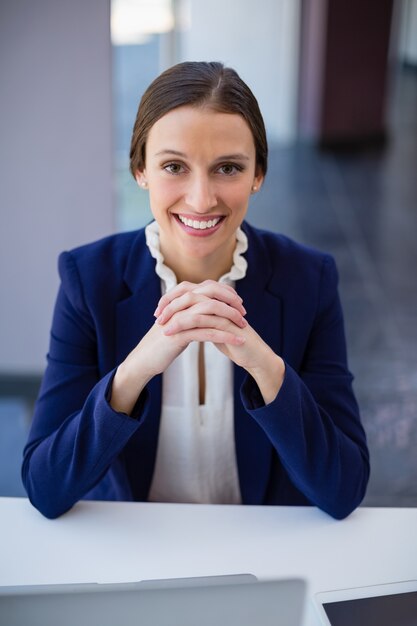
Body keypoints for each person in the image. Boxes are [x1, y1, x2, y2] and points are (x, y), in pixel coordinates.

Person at [22, 61, 369, 520]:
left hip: (264, 553)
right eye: (173, 166)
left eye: (228, 167)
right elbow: (45, 488)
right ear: (139, 169)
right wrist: (134, 372)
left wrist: (263, 365)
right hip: (137, 551)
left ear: (258, 174)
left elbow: (344, 489)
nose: (202, 199)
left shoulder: (310, 278)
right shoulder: (88, 279)